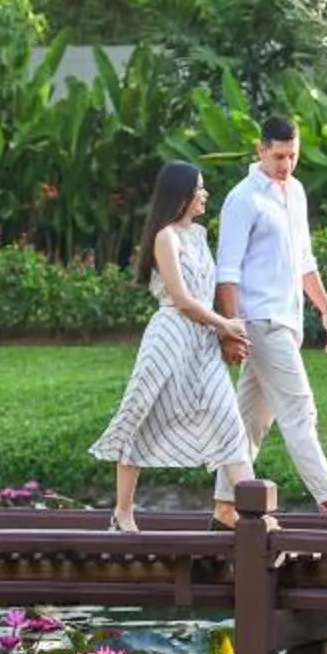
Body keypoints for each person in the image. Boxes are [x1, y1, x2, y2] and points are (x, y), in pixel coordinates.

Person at [211, 115, 327, 526]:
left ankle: (224, 507)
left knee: (251, 420)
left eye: (292, 156)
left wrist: (326, 309)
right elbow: (227, 272)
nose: (286, 164)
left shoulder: (296, 191)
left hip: (288, 321)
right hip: (260, 321)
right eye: (278, 156)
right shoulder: (242, 199)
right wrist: (230, 329)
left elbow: (304, 260)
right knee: (299, 411)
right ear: (260, 150)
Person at [90, 161, 255, 531]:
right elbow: (181, 299)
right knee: (141, 414)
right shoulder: (166, 237)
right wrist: (225, 324)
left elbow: (205, 293)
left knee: (229, 419)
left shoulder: (198, 234)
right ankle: (123, 513)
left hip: (203, 341)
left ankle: (255, 516)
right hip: (170, 338)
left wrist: (223, 332)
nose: (204, 194)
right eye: (199, 187)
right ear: (181, 194)